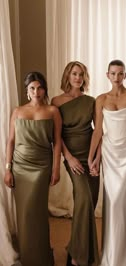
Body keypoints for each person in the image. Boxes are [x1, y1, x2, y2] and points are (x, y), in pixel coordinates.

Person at [88, 59, 126, 266]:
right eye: (113, 73)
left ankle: (124, 254)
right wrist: (92, 156)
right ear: (107, 75)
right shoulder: (101, 99)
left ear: (125, 75)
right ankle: (112, 254)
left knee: (122, 202)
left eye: (121, 74)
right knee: (112, 203)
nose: (117, 77)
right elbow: (97, 131)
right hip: (109, 155)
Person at [4, 71, 62, 266]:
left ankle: (43, 257)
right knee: (24, 213)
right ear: (27, 90)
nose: (36, 91)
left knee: (37, 212)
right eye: (32, 88)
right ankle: (28, 257)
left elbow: (57, 143)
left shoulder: (53, 111)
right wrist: (7, 168)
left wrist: (56, 169)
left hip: (42, 167)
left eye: (39, 88)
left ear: (44, 89)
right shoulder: (17, 111)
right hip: (20, 167)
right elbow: (11, 141)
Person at [51, 61, 100, 266]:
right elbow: (56, 135)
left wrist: (96, 158)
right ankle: (79, 258)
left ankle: (75, 247)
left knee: (88, 203)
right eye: (74, 74)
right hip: (73, 159)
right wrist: (68, 158)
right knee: (84, 200)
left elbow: (98, 131)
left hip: (91, 157)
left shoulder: (91, 101)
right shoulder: (57, 101)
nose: (78, 78)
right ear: (67, 76)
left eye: (81, 74)